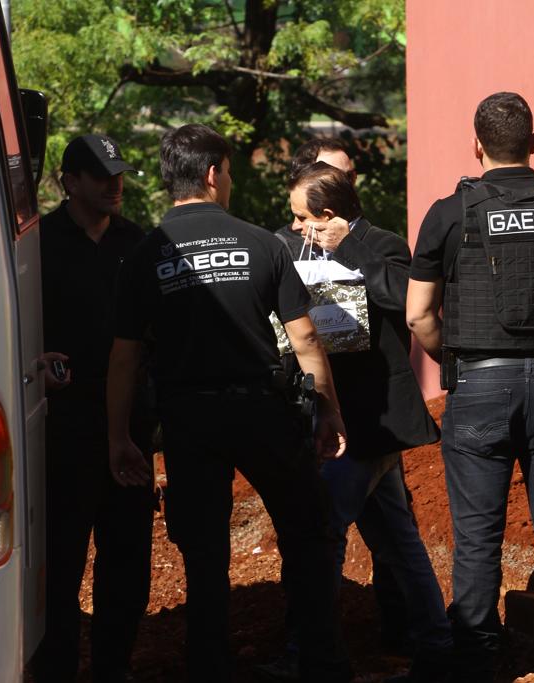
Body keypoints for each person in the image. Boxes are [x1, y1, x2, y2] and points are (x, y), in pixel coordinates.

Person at [107, 123, 351, 682]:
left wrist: (119, 436)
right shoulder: (263, 243)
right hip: (262, 411)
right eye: (231, 172)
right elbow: (305, 338)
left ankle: (208, 667)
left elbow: (124, 358)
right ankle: (323, 662)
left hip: (188, 419)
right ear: (214, 174)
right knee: (306, 535)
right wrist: (328, 409)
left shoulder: (144, 256)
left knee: (204, 555)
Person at [406, 92, 534, 683]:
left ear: (476, 146)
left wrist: (455, 363)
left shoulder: (449, 212)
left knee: (477, 541)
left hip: (477, 386)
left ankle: (476, 665)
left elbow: (418, 314)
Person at [261, 162, 452, 683]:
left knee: (321, 534)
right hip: (336, 421)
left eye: (302, 218)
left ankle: (310, 655)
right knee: (398, 541)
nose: (294, 226)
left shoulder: (382, 245)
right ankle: (437, 643)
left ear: (328, 215)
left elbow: (404, 298)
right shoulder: (297, 251)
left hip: (371, 422)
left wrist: (348, 248)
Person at [30, 134, 155, 683]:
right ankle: (56, 668)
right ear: (69, 182)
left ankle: (113, 665)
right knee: (61, 558)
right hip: (65, 425)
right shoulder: (37, 244)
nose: (114, 185)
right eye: (101, 175)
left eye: (118, 174)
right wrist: (34, 363)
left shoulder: (139, 243)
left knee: (127, 555)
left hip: (129, 422)